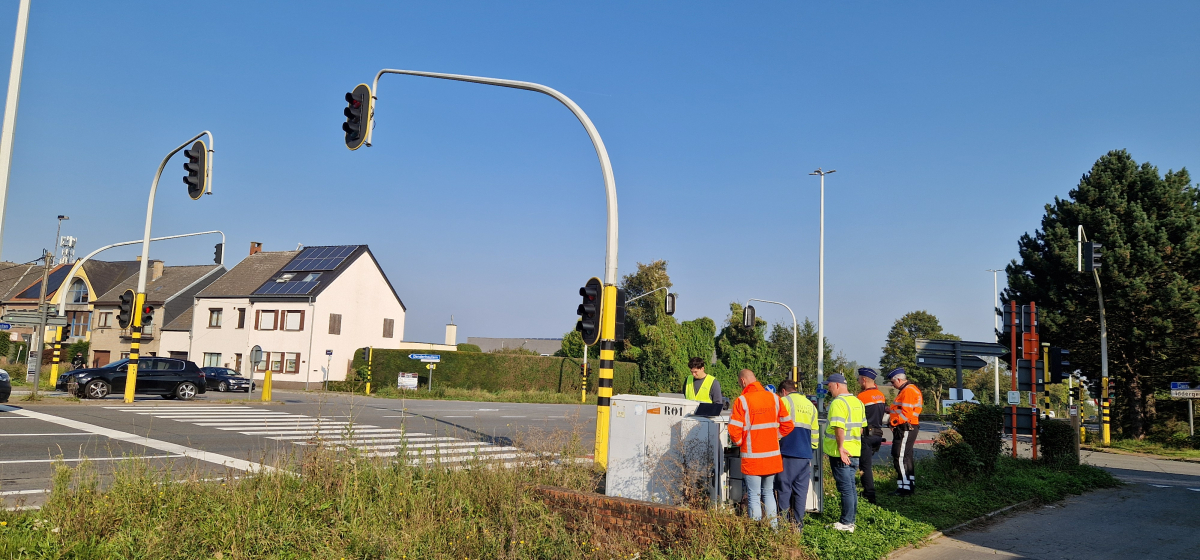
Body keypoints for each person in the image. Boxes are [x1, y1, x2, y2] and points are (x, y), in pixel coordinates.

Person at [728, 369, 793, 528]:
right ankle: (774, 530)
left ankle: (756, 533)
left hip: (753, 458)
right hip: (771, 457)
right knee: (769, 493)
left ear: (743, 381)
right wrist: (774, 436)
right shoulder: (775, 398)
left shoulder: (742, 401)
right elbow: (788, 425)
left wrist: (740, 443)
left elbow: (734, 431)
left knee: (754, 496)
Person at [822, 373, 866, 532]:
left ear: (837, 385)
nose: (829, 388)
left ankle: (847, 523)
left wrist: (841, 448)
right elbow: (861, 428)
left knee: (846, 489)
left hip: (841, 453)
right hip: (854, 451)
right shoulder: (858, 402)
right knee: (851, 488)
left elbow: (838, 428)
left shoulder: (837, 403)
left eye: (829, 385)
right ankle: (850, 520)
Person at [774, 379, 817, 532]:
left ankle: (784, 526)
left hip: (788, 452)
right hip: (805, 455)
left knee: (784, 489)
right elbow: (815, 433)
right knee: (800, 492)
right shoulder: (810, 405)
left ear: (784, 391)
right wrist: (811, 452)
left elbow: (776, 428)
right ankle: (798, 526)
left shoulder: (783, 402)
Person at [885, 368, 923, 496]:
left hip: (906, 427)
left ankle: (904, 488)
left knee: (899, 456)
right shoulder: (909, 389)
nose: (892, 385)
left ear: (899, 380)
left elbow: (906, 414)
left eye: (892, 382)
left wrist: (893, 423)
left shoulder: (907, 391)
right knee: (906, 456)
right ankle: (908, 484)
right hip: (909, 426)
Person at [856, 368, 888, 504]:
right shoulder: (881, 395)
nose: (858, 382)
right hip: (878, 433)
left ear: (864, 380)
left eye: (858, 379)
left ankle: (869, 495)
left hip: (866, 435)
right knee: (867, 464)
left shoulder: (861, 397)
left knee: (865, 466)